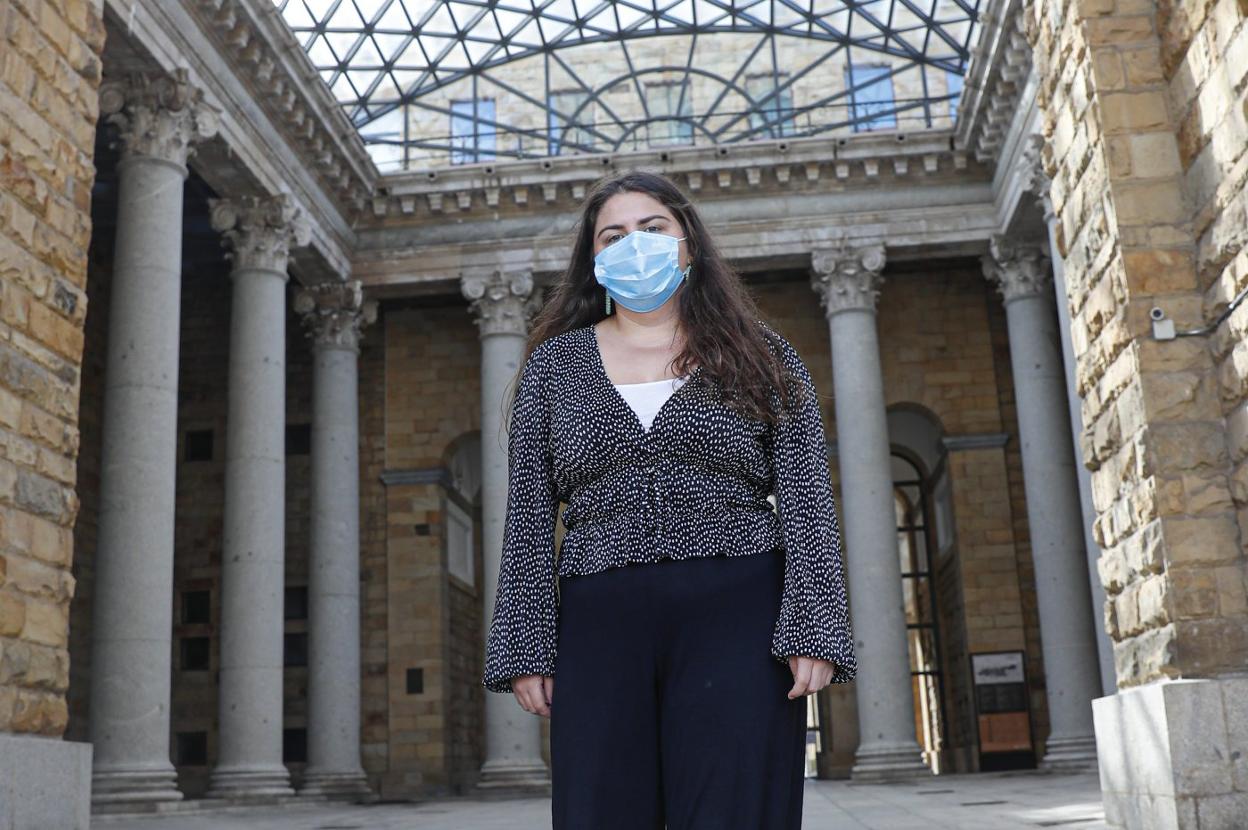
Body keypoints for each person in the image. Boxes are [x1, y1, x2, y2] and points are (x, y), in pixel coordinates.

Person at [482, 170, 856, 829]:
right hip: (600, 616)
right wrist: (526, 645)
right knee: (603, 808)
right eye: (613, 235)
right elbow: (528, 517)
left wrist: (815, 628)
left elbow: (808, 503)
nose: (634, 246)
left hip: (739, 612)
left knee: (734, 806)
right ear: (594, 262)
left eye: (652, 230)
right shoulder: (553, 366)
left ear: (690, 246)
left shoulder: (764, 356)